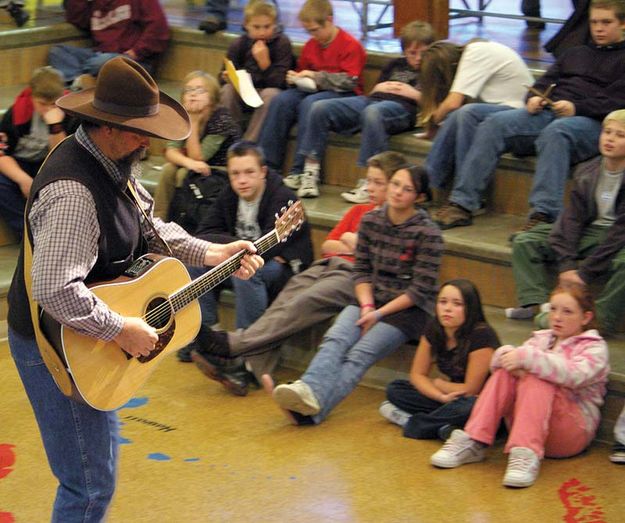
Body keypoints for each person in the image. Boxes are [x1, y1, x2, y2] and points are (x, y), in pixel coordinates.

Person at [6, 56, 264, 522]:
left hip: (82, 334)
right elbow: (54, 289)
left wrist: (212, 253)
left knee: (94, 475)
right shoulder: (74, 192)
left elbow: (151, 227)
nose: (147, 140)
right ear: (105, 126)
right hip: (56, 344)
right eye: (137, 130)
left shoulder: (113, 159)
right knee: (87, 484)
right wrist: (119, 329)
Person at [188, 151, 406, 395]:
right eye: (369, 180)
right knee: (283, 305)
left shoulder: (398, 225)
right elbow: (328, 245)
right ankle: (248, 369)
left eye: (378, 182)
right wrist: (352, 242)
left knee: (301, 304)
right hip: (325, 265)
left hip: (354, 276)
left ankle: (232, 344)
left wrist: (353, 242)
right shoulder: (358, 212)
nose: (370, 187)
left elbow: (383, 263)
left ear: (396, 186)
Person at [267, 164, 443, 425]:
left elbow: (419, 291)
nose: (397, 192)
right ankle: (307, 389)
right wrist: (367, 305)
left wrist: (379, 313)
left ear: (419, 197)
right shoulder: (371, 221)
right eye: (395, 184)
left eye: (407, 189)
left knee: (360, 354)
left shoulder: (429, 234)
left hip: (406, 312)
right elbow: (360, 270)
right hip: (369, 298)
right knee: (336, 338)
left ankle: (312, 413)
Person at [431, 0, 625, 233]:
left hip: (594, 123)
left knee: (557, 132)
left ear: (622, 24)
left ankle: (544, 215)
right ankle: (462, 204)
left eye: (606, 22)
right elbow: (544, 82)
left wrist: (577, 108)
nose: (598, 28)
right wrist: (534, 98)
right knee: (494, 123)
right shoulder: (575, 53)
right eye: (594, 22)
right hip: (549, 112)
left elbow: (617, 102)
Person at [431, 283, 609, 489]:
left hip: (570, 432)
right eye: (553, 309)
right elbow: (510, 361)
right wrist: (507, 357)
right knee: (509, 370)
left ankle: (526, 452)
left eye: (567, 312)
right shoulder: (542, 339)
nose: (557, 317)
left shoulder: (595, 347)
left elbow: (575, 375)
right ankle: (473, 440)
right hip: (528, 425)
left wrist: (527, 359)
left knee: (538, 373)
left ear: (585, 317)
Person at [189, 141, 314, 389]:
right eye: (235, 174)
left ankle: (248, 352)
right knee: (195, 260)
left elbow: (274, 247)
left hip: (285, 269)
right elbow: (204, 233)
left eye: (249, 172)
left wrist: (235, 249)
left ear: (263, 172)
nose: (242, 180)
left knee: (245, 271)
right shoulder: (229, 194)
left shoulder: (284, 198)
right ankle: (210, 336)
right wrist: (238, 246)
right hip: (248, 258)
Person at [286, 20, 435, 205]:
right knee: (320, 107)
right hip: (372, 100)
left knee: (372, 113)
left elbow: (435, 105)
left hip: (402, 109)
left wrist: (413, 93)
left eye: (424, 53)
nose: (418, 58)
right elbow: (375, 90)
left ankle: (370, 181)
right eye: (413, 53)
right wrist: (381, 86)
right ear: (404, 51)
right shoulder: (395, 64)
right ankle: (310, 171)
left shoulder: (432, 70)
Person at [505, 109, 625, 336]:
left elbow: (620, 232)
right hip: (592, 231)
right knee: (526, 240)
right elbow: (572, 219)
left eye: (620, 135)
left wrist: (584, 274)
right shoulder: (588, 170)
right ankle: (539, 305)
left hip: (617, 237)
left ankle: (600, 321)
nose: (610, 139)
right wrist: (567, 264)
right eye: (607, 132)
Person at [418, 39, 533, 229]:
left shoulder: (475, 52)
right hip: (500, 110)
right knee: (460, 116)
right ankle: (425, 184)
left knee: (465, 113)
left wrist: (432, 121)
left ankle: (464, 196)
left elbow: (453, 102)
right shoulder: (476, 54)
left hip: (518, 114)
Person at [257, 0, 367, 198]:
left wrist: (316, 77)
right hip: (312, 90)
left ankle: (299, 170)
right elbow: (302, 71)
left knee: (310, 104)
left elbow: (350, 81)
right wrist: (295, 78)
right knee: (281, 101)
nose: (312, 36)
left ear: (329, 21)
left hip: (341, 95)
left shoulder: (351, 44)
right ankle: (268, 166)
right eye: (308, 31)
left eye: (315, 30)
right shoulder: (311, 45)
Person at [380, 279, 500, 440]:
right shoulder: (434, 328)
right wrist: (440, 396)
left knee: (469, 406)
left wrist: (439, 384)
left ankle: (414, 424)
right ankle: (446, 427)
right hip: (450, 398)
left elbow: (471, 389)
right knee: (396, 388)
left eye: (457, 304)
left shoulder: (482, 335)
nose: (447, 309)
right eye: (443, 302)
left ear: (470, 309)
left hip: (481, 401)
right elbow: (417, 374)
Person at [152, 70, 240, 225]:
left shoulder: (222, 119)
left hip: (221, 171)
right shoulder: (183, 116)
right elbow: (171, 151)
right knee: (168, 169)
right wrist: (189, 163)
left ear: (212, 97)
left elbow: (199, 157)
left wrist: (193, 121)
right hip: (196, 166)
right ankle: (157, 222)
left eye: (200, 90)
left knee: (183, 174)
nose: (193, 94)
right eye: (189, 90)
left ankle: (182, 223)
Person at [0, 66, 76, 240]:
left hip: (49, 163)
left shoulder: (70, 113)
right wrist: (23, 180)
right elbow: (2, 154)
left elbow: (65, 157)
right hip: (21, 163)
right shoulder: (16, 113)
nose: (48, 109)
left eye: (53, 104)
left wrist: (55, 127)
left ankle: (57, 230)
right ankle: (30, 234)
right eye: (42, 104)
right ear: (32, 96)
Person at [220, 0, 293, 142]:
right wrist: (226, 77)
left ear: (275, 24)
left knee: (271, 95)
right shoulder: (239, 44)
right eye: (256, 27)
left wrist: (265, 63)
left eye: (267, 27)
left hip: (266, 92)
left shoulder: (282, 43)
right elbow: (223, 73)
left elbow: (281, 82)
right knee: (227, 90)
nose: (262, 32)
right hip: (244, 92)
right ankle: (230, 139)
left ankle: (248, 143)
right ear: (246, 25)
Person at [49, 0, 170, 84]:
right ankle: (79, 83)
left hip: (135, 61)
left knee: (102, 63)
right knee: (58, 52)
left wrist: (135, 52)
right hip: (100, 56)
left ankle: (80, 85)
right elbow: (78, 19)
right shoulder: (96, 4)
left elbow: (159, 30)